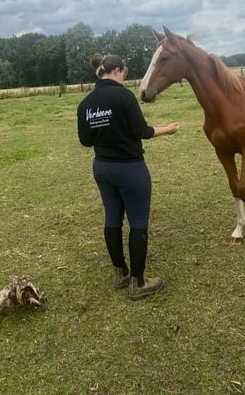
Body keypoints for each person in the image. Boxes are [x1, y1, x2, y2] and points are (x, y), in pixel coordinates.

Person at [77, 53, 180, 300]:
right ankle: (138, 282)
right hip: (130, 169)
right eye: (124, 72)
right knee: (138, 222)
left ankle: (120, 273)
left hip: (102, 168)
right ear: (116, 71)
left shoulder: (86, 103)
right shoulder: (123, 96)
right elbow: (141, 131)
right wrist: (167, 130)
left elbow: (85, 140)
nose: (125, 77)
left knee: (112, 218)